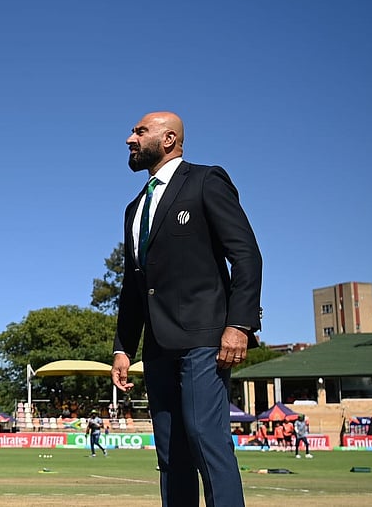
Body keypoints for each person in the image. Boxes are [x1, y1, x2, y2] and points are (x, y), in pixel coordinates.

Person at [111, 112, 263, 507]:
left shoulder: (205, 180)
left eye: (140, 131)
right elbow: (134, 284)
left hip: (204, 337)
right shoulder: (134, 208)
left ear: (168, 139)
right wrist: (123, 347)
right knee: (170, 453)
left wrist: (240, 325)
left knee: (205, 440)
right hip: (158, 347)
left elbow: (245, 255)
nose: (130, 138)